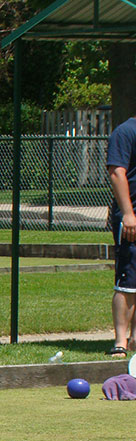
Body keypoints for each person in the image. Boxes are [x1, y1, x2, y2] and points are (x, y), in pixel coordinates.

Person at [107, 112, 136, 358]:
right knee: (128, 283)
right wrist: (128, 213)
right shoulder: (125, 132)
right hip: (133, 217)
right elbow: (117, 172)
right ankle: (121, 341)